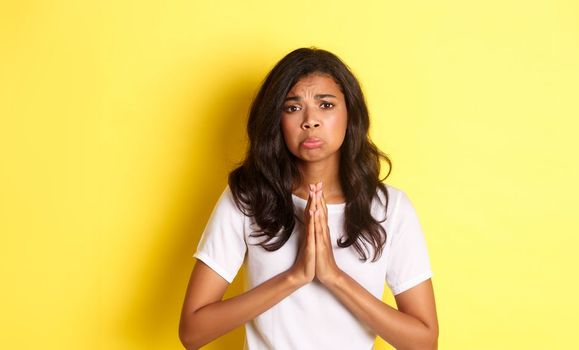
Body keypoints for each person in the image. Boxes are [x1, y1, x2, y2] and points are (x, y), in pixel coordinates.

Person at [179, 47, 438, 350]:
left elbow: (424, 342)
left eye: (326, 104)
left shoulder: (390, 209)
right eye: (292, 108)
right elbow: (192, 332)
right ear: (276, 120)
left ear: (349, 114)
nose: (310, 120)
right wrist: (295, 276)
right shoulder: (248, 200)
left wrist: (334, 277)